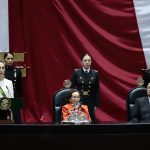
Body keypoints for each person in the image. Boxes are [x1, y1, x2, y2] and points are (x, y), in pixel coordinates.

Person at [70, 53, 100, 123]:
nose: (87, 62)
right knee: (79, 120)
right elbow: (72, 89)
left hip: (90, 100)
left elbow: (97, 90)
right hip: (79, 100)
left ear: (91, 62)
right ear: (81, 62)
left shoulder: (95, 73)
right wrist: (72, 102)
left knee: (91, 121)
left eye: (89, 60)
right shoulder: (76, 72)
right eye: (85, 60)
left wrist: (96, 104)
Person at [4, 52, 23, 123]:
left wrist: (19, 99)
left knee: (17, 117)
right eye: (8, 58)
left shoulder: (17, 71)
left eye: (11, 59)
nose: (10, 60)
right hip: (3, 95)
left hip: (15, 95)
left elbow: (19, 86)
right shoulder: (1, 71)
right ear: (4, 59)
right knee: (4, 118)